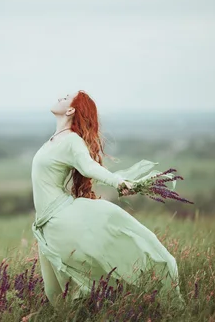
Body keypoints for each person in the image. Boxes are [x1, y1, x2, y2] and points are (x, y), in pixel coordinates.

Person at [31, 90, 184, 307]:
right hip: (43, 223)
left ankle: (132, 297)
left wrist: (117, 182)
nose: (60, 97)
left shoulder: (72, 141)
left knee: (73, 283)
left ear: (71, 109)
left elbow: (88, 166)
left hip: (59, 217)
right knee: (54, 291)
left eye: (65, 97)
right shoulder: (54, 140)